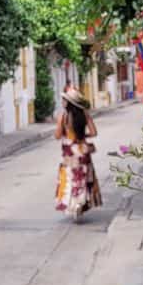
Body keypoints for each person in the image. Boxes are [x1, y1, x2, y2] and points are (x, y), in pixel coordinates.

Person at [54, 88, 102, 222]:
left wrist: (67, 133)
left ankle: (73, 205)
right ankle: (81, 202)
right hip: (82, 152)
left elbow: (57, 135)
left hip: (69, 153)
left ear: (69, 102)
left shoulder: (63, 117)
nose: (62, 101)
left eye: (64, 100)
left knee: (71, 178)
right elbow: (94, 132)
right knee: (83, 178)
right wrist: (83, 135)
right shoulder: (85, 114)